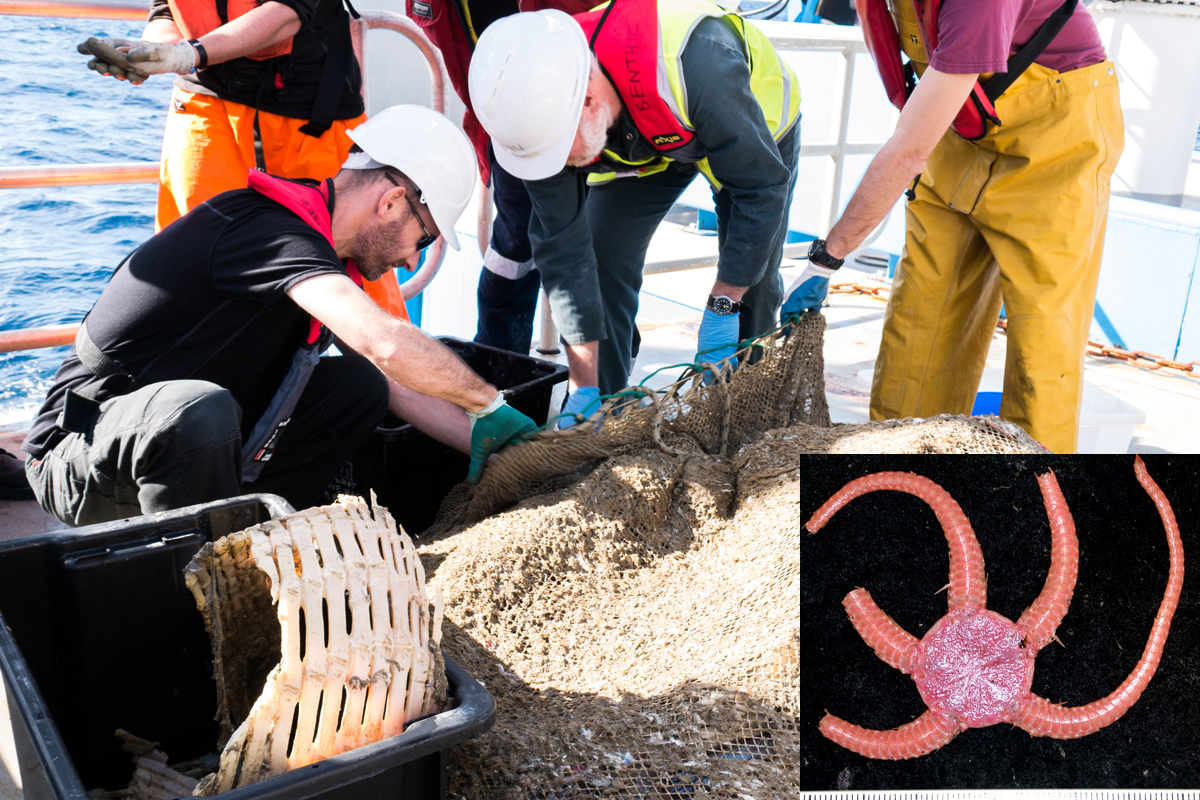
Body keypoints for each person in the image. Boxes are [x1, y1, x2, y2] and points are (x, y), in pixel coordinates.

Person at [22, 106, 538, 527]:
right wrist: (488, 403)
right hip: (80, 453)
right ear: (392, 202)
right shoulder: (269, 231)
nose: (410, 260)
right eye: (422, 239)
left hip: (195, 445)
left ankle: (260, 536)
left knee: (360, 388)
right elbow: (387, 341)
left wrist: (501, 448)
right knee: (196, 411)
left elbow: (396, 381)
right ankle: (199, 577)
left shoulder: (327, 254)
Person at [782, 0, 1121, 453]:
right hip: (961, 127)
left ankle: (1033, 501)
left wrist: (826, 258)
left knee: (1043, 345)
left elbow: (907, 151)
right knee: (920, 321)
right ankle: (895, 479)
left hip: (1056, 136)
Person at [467, 0, 801, 422]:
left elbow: (760, 189)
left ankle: (739, 416)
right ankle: (602, 411)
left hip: (746, 123)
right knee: (602, 254)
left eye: (556, 151)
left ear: (587, 102)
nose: (551, 166)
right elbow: (567, 257)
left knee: (750, 288)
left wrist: (723, 302)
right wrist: (581, 382)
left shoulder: (698, 63)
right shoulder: (543, 123)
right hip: (638, 135)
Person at [75, 0, 411, 318]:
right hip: (204, 107)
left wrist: (186, 54)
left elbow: (288, 11)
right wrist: (148, 52)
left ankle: (395, 377)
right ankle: (181, 373)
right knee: (187, 264)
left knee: (355, 278)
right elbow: (168, 9)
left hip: (311, 119)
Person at [406, 0, 593, 355]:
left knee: (594, 253)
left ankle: (605, 387)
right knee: (511, 250)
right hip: (508, 130)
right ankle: (500, 369)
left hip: (587, 123)